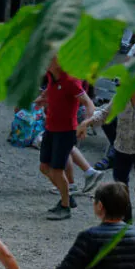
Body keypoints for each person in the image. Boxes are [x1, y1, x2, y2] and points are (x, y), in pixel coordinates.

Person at [40, 61, 98, 220]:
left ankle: (65, 207)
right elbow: (49, 92)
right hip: (50, 128)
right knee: (44, 167)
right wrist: (41, 99)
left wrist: (85, 124)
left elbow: (89, 103)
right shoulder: (52, 77)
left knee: (57, 170)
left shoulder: (71, 81)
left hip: (66, 131)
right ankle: (67, 196)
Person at [83, 88, 135, 200]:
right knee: (120, 189)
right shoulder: (121, 96)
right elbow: (104, 114)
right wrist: (86, 123)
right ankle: (125, 216)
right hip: (121, 148)